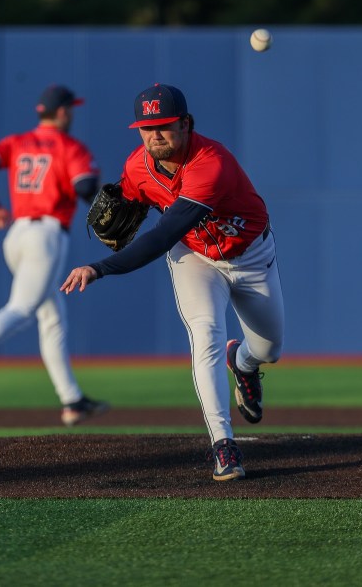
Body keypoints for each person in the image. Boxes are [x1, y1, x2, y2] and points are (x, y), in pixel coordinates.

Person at [60, 83, 285, 481]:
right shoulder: (137, 166)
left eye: (164, 125)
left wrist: (101, 267)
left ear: (186, 124)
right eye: (146, 128)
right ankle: (223, 443)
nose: (155, 135)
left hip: (251, 256)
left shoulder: (210, 163)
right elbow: (130, 198)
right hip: (194, 258)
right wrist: (123, 205)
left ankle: (243, 363)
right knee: (206, 333)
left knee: (270, 348)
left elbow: (162, 234)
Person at [0, 84, 110, 426]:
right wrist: (99, 189)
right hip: (46, 236)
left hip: (17, 235)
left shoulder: (19, 142)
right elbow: (84, 188)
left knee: (52, 318)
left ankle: (73, 401)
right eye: (70, 109)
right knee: (21, 309)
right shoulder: (69, 146)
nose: (72, 114)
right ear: (62, 111)